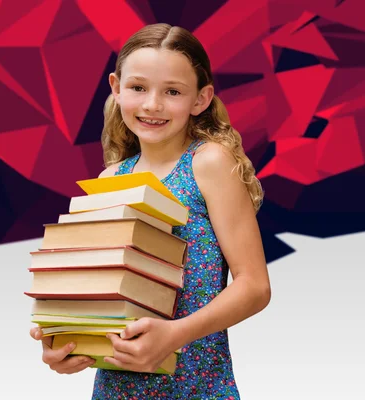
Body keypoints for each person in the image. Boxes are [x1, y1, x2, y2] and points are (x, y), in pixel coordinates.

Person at [30, 23, 271, 399]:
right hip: (115, 389)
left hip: (197, 388)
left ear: (201, 99)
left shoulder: (209, 163)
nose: (152, 104)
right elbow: (99, 291)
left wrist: (176, 334)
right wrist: (65, 340)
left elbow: (254, 286)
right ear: (116, 87)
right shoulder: (111, 177)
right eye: (138, 87)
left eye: (172, 91)